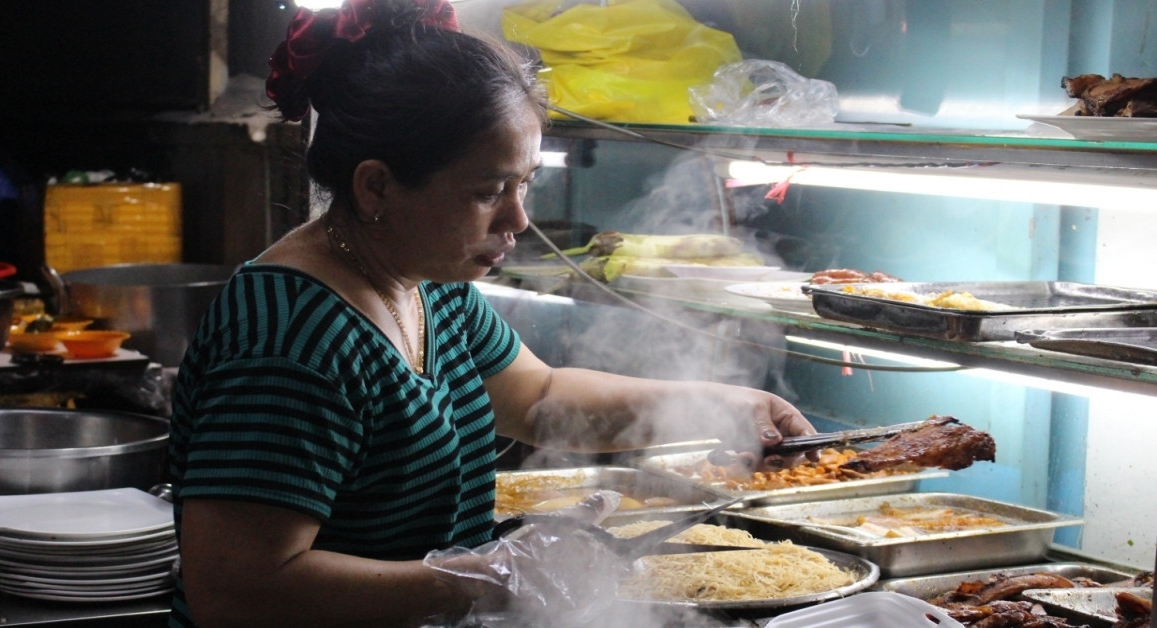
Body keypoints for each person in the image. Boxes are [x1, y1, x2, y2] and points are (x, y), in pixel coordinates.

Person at [166, 0, 816, 626]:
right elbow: (238, 592)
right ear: (375, 187)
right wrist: (487, 579)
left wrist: (724, 409)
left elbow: (538, 397)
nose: (518, 219)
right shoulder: (294, 338)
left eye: (524, 183)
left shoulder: (424, 281)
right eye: (488, 192)